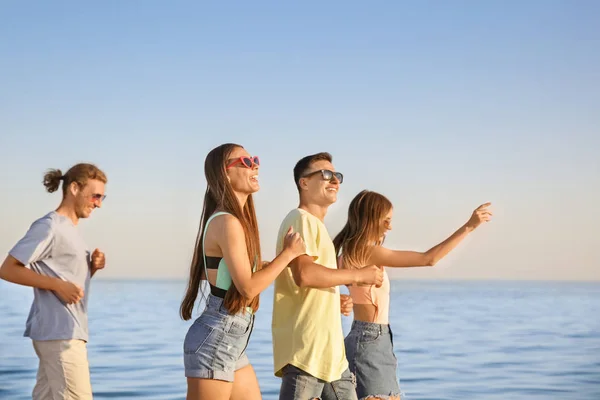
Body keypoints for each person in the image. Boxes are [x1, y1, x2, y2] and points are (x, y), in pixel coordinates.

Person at [332, 190, 493, 400]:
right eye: (386, 220)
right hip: (371, 341)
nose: (390, 226)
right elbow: (429, 259)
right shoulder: (369, 252)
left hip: (366, 338)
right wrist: (469, 227)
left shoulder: (346, 255)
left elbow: (326, 285)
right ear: (371, 219)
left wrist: (342, 300)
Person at [180, 143, 306, 400]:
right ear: (225, 174)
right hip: (217, 339)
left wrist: (273, 264)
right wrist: (288, 254)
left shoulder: (231, 221)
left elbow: (222, 275)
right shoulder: (227, 221)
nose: (255, 165)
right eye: (246, 162)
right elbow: (247, 287)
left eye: (255, 159)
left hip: (231, 341)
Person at [272, 152, 384, 400]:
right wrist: (358, 275)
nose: (334, 180)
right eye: (325, 174)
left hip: (331, 356)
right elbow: (304, 275)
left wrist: (335, 299)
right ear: (304, 182)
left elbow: (309, 282)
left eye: (337, 176)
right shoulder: (300, 219)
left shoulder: (316, 226)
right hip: (307, 354)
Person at [0, 163, 108, 400]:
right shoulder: (50, 226)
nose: (99, 203)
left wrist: (92, 268)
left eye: (102, 197)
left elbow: (69, 283)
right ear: (74, 188)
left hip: (62, 331)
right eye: (95, 195)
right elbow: (7, 269)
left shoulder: (71, 230)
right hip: (60, 335)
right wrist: (58, 285)